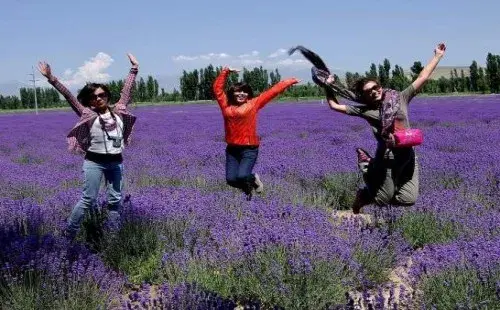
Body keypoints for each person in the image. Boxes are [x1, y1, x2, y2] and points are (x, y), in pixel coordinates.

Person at [317, 43, 446, 213]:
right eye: (368, 91)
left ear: (380, 86)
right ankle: (366, 175)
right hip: (388, 157)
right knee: (381, 199)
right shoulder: (365, 110)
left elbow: (422, 77)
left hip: (408, 154)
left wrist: (437, 56)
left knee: (408, 199)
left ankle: (377, 183)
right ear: (364, 96)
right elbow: (334, 106)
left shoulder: (400, 97)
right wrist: (327, 88)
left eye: (375, 87)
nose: (373, 92)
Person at [38, 53, 139, 238]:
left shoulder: (119, 111)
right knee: (88, 199)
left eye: (101, 94)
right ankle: (69, 233)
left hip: (116, 162)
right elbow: (69, 96)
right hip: (94, 162)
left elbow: (127, 90)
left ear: (107, 95)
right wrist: (52, 79)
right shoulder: (87, 114)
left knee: (115, 200)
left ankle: (112, 237)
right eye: (93, 97)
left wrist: (134, 68)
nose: (98, 98)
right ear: (89, 101)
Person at [213, 67, 299, 199]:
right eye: (238, 91)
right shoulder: (225, 104)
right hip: (232, 149)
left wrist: (289, 81)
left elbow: (272, 92)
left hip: (249, 148)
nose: (241, 94)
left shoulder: (254, 104)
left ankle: (252, 179)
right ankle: (248, 190)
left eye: (244, 92)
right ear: (232, 93)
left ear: (248, 94)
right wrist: (225, 72)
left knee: (242, 175)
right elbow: (217, 90)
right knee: (231, 179)